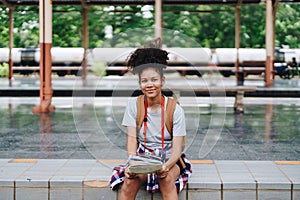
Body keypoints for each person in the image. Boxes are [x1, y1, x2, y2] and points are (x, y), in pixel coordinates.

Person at [110, 47, 192, 200]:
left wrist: (165, 166)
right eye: (144, 81)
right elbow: (132, 139)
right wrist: (131, 164)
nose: (149, 85)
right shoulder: (134, 105)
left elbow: (178, 148)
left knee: (166, 179)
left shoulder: (175, 109)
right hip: (143, 158)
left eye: (154, 80)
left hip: (170, 159)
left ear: (162, 81)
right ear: (140, 83)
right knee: (130, 180)